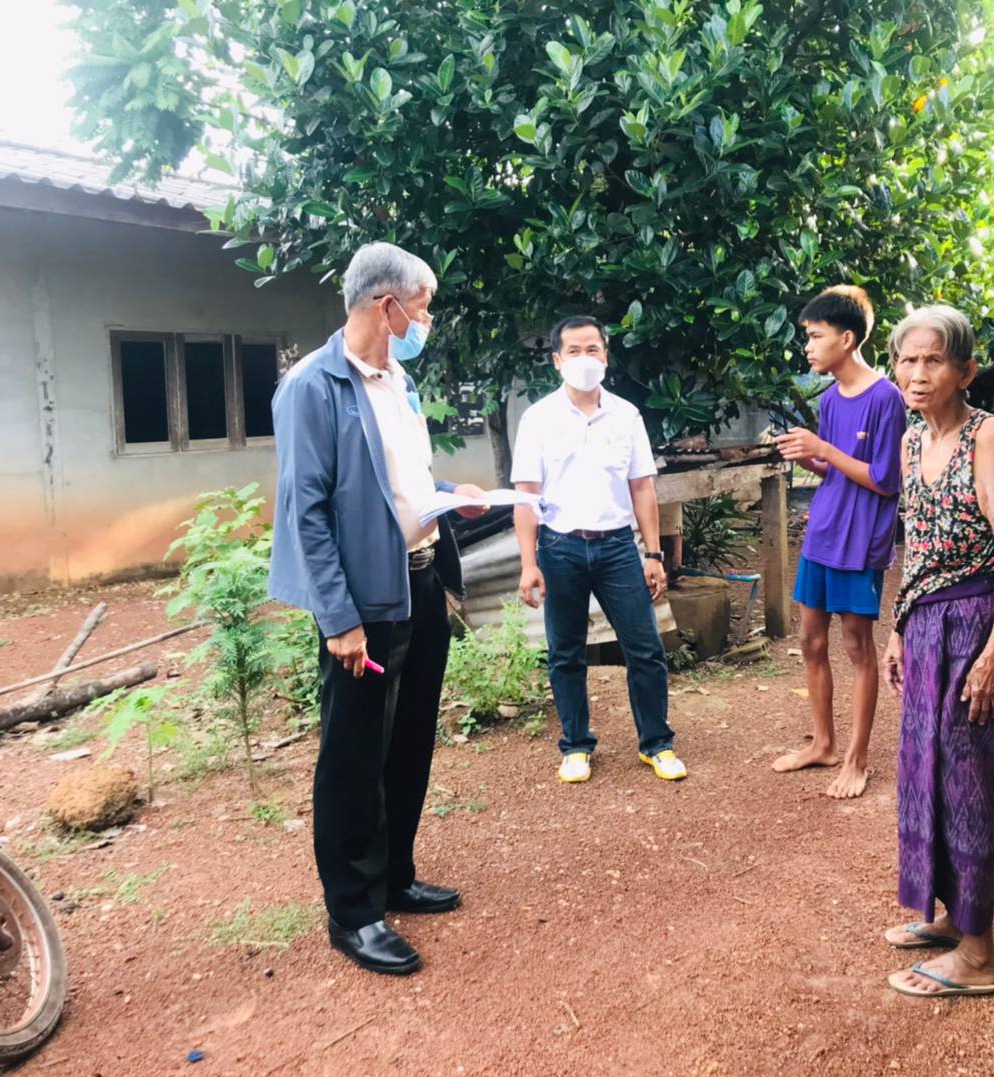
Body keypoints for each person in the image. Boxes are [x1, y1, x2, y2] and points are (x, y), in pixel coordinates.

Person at [269, 242, 489, 976]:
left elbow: (398, 480)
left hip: (418, 581)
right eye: (422, 307)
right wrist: (338, 619)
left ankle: (395, 876)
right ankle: (354, 914)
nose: (427, 320)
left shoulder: (399, 381)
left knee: (409, 739)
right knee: (354, 755)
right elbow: (306, 511)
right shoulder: (313, 386)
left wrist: (452, 495)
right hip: (362, 601)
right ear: (386, 305)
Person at [878, 305, 994, 998]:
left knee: (970, 775)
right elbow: (915, 544)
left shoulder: (988, 436)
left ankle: (978, 953)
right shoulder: (912, 440)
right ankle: (950, 916)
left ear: (965, 370)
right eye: (907, 360)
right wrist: (897, 627)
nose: (917, 374)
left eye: (934, 360)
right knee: (924, 772)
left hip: (976, 622)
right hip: (925, 622)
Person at [511, 316, 685, 785]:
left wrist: (653, 554)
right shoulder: (538, 419)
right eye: (574, 350)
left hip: (617, 548)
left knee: (645, 649)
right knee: (566, 653)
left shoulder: (626, 415)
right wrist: (528, 563)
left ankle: (657, 744)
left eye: (593, 349)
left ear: (606, 356)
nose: (584, 358)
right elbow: (526, 497)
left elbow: (642, 487)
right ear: (556, 360)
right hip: (559, 547)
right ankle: (575, 746)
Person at [772, 285, 905, 799]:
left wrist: (824, 448)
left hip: (861, 541)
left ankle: (857, 758)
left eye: (815, 336)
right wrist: (807, 455)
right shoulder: (829, 398)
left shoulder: (886, 398)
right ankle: (823, 744)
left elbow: (885, 480)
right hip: (823, 534)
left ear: (846, 339)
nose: (808, 347)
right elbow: (836, 470)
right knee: (810, 640)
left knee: (856, 645)